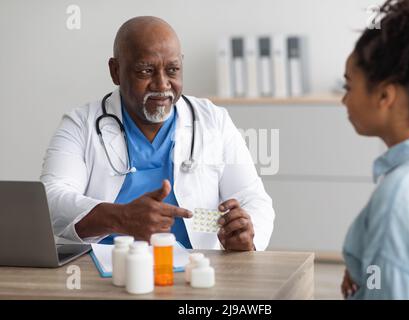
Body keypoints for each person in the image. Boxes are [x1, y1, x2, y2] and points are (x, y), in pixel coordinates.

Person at [40, 16, 275, 251]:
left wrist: (246, 236)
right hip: (104, 270)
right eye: (145, 71)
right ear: (116, 71)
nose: (162, 84)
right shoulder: (81, 125)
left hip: (196, 268)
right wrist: (121, 217)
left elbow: (253, 198)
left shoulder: (213, 120)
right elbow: (49, 198)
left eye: (172, 70)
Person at [341, 0, 409, 299]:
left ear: (385, 95)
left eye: (349, 87)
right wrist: (369, 270)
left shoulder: (402, 198)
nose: (344, 101)